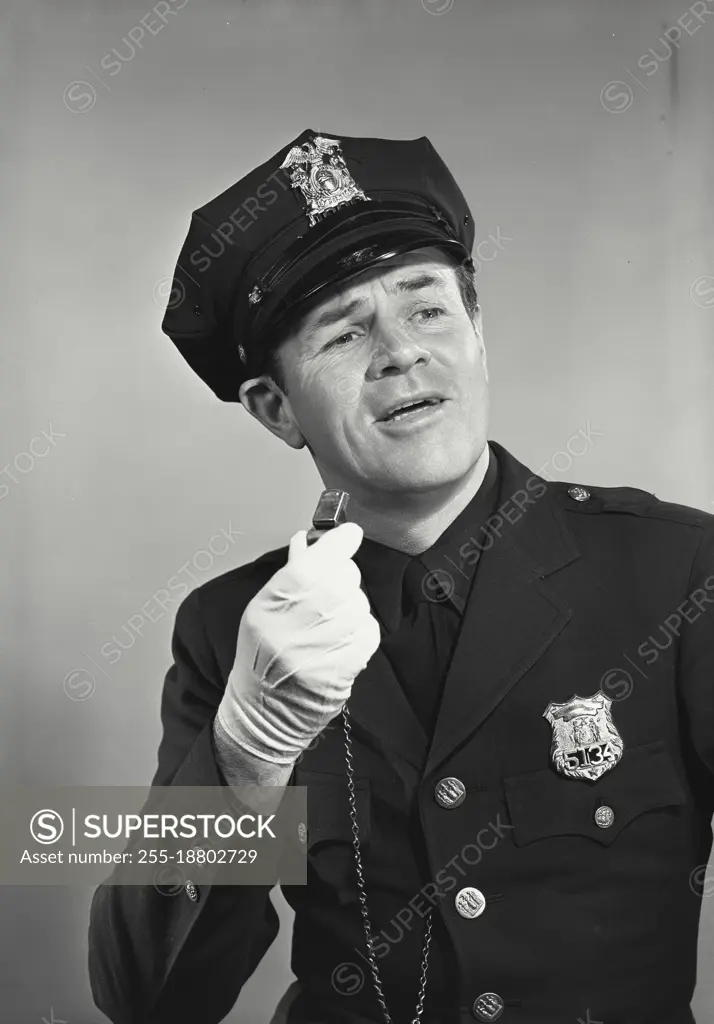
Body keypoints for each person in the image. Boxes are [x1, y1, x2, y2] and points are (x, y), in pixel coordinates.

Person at [87, 129, 714, 1024]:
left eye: (427, 310)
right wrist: (245, 755)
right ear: (274, 408)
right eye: (344, 333)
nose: (400, 353)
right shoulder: (227, 626)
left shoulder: (676, 570)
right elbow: (142, 996)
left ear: (477, 335)